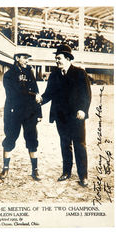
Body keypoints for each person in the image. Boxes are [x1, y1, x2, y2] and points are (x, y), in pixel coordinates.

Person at [37, 44, 91, 187]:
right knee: (65, 145)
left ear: (68, 58)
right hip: (60, 117)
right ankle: (66, 172)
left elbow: (87, 95)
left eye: (59, 58)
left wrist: (83, 110)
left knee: (79, 145)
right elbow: (49, 93)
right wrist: (41, 99)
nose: (57, 61)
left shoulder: (80, 73)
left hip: (76, 116)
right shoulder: (54, 75)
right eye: (56, 59)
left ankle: (83, 176)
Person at [0, 53, 42, 181]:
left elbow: (37, 92)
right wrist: (33, 95)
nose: (27, 60)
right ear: (17, 58)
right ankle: (5, 169)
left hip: (29, 112)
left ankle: (35, 170)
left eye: (28, 58)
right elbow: (15, 93)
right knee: (10, 138)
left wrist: (39, 113)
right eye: (25, 57)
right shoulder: (9, 75)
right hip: (14, 112)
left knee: (32, 139)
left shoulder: (30, 72)